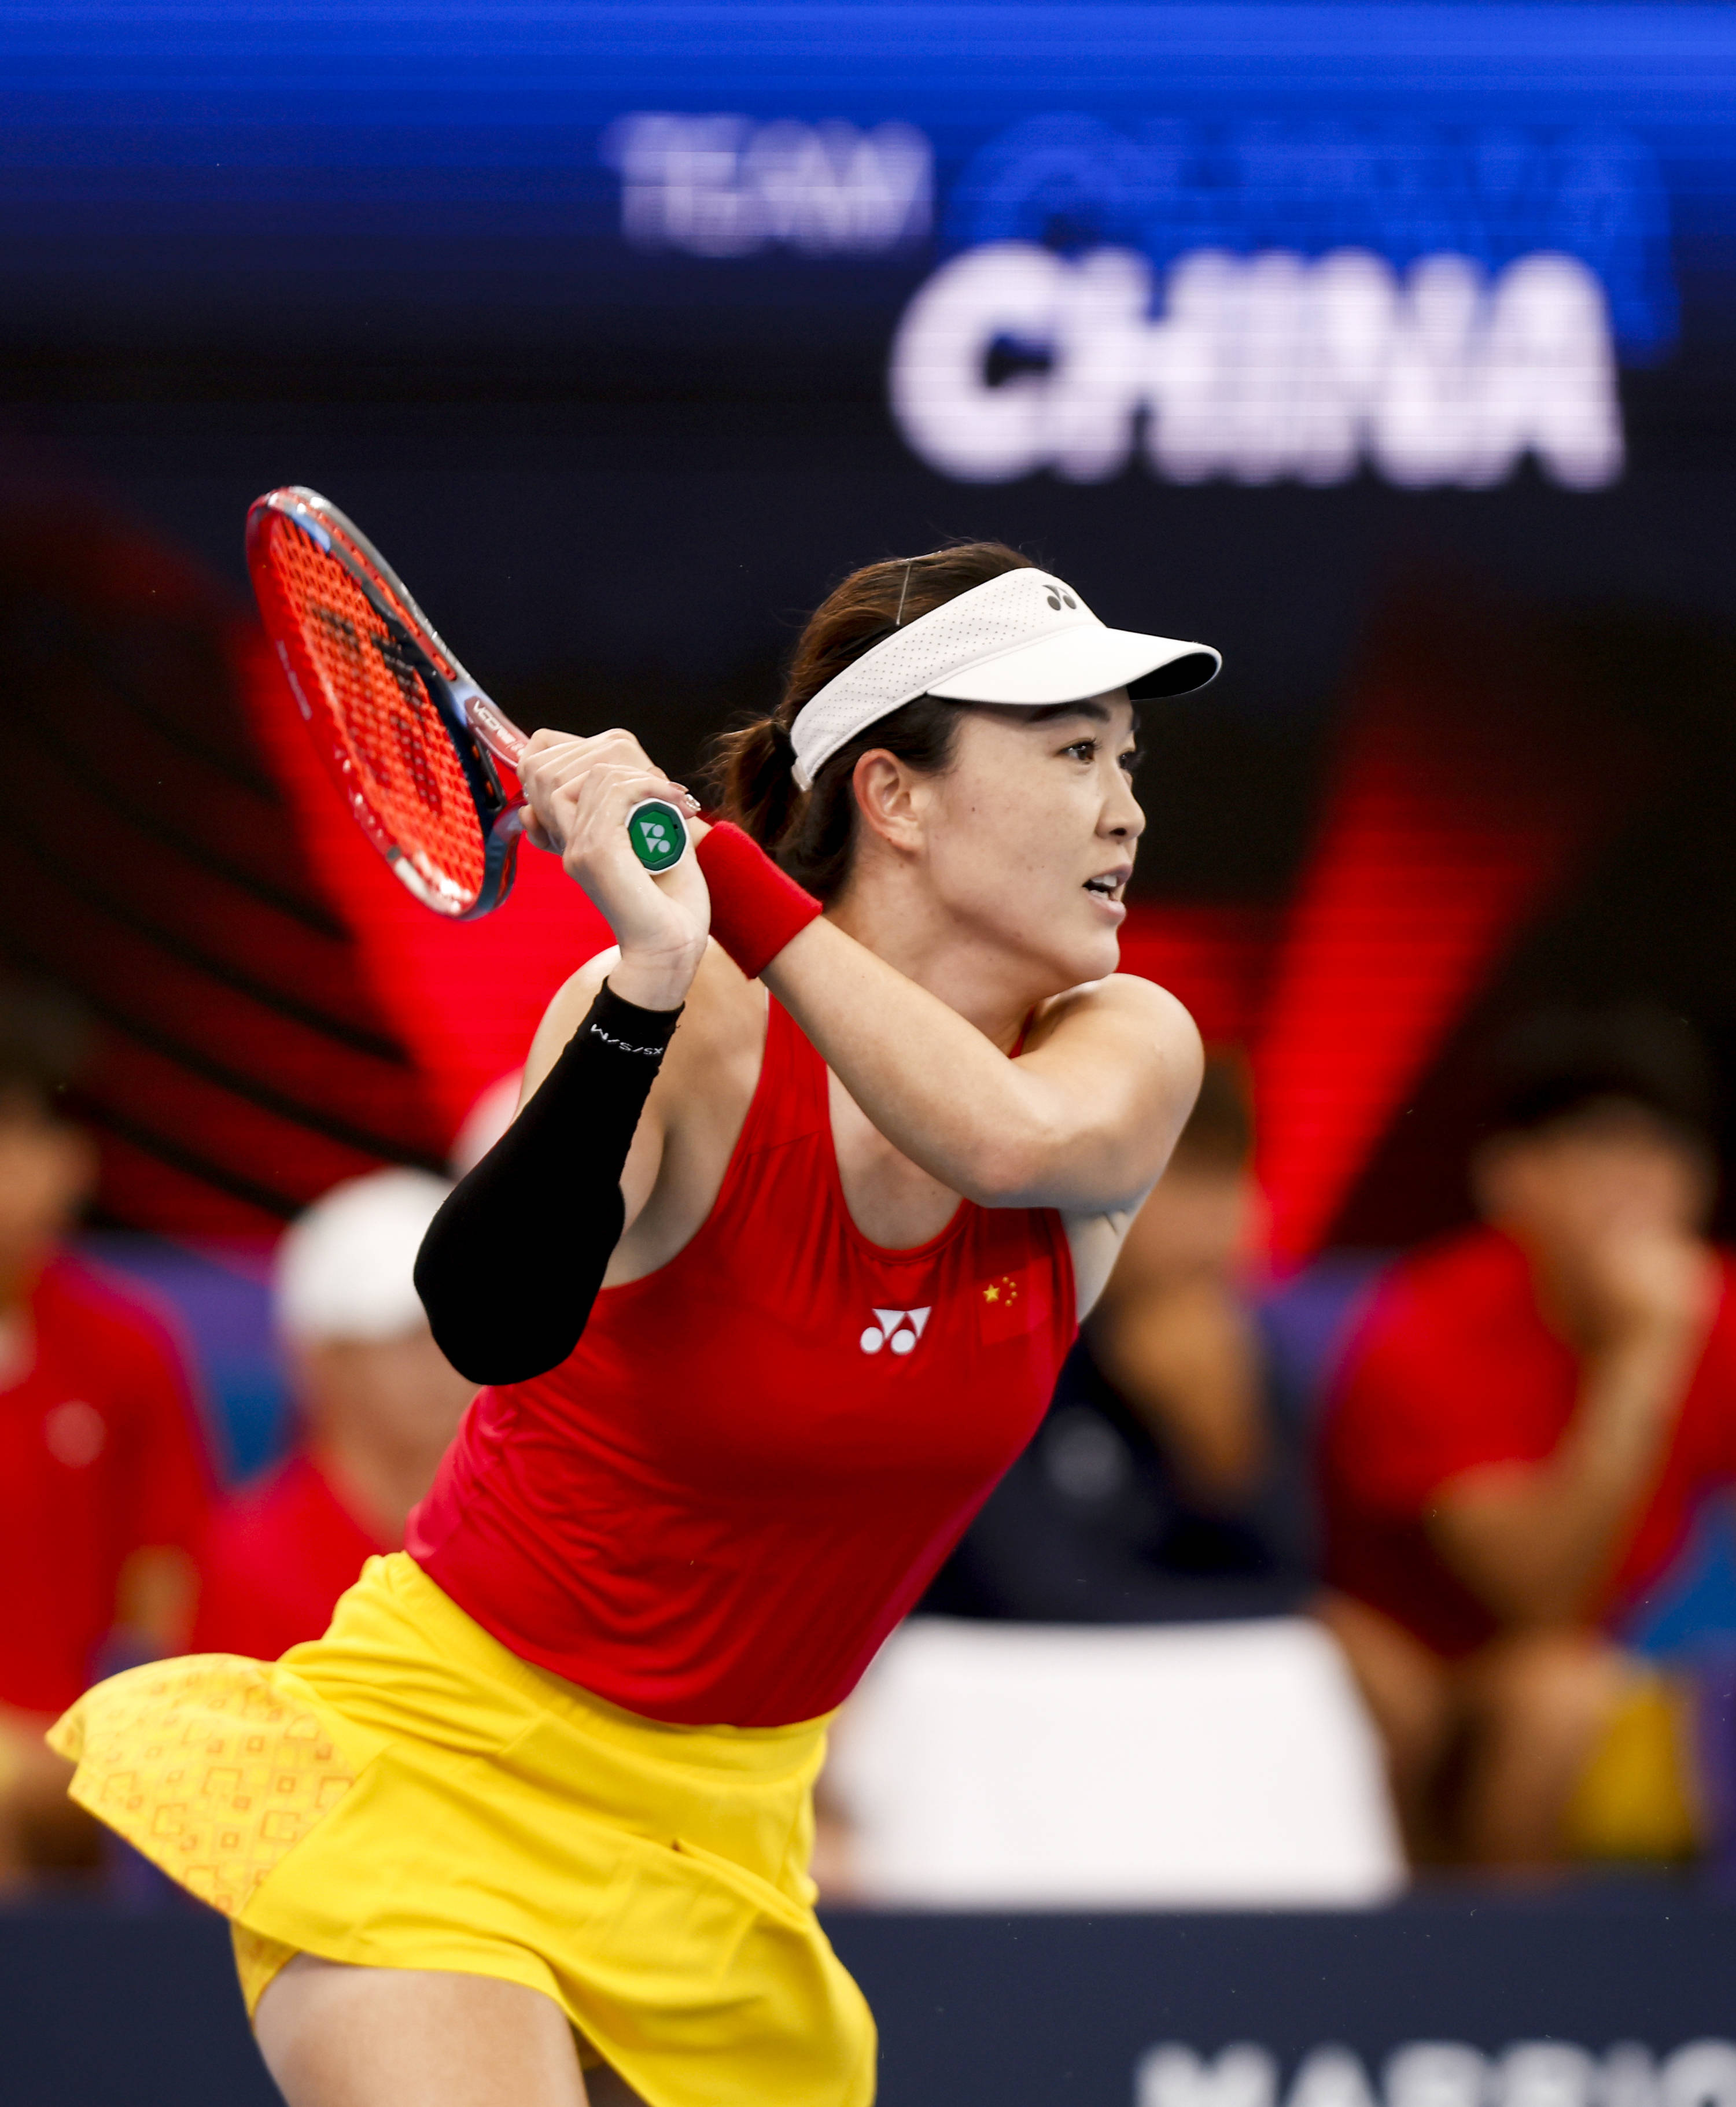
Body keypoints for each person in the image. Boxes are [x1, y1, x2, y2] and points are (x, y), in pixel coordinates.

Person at [52, 543, 1216, 2107]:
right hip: (447, 1768)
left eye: (1126, 759)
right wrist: (655, 974)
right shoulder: (687, 1022)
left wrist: (726, 883)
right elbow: (485, 1321)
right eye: (1073, 752)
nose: (1124, 807)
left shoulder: (1126, 1045)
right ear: (894, 796)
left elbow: (1001, 1138)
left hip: (727, 1844)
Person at [1319, 1007, 1735, 1870]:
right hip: (1403, 1653)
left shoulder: (1716, 1309)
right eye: (1598, 1149)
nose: (1635, 1184)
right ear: (1511, 1177)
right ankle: (1472, 1952)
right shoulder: (1427, 1327)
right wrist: (1640, 1361)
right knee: (1553, 1698)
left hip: (1589, 1649)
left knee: (1567, 1685)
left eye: (1661, 1151)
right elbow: (1536, 1597)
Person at [923, 1054, 1312, 1623]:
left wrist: (1224, 1458)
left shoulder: (1228, 1342)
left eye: (1234, 1177)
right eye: (1190, 1180)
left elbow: (1285, 1575)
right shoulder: (988, 1329)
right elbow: (1027, 1597)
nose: (1228, 1220)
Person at [0, 982, 212, 1885]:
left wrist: (109, 1747)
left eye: (39, 1136)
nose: (29, 1169)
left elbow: (164, 1590)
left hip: (76, 1776)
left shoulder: (126, 1346)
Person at [191, 1170, 475, 1662]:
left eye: (467, 1326)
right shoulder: (253, 1557)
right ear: (324, 1362)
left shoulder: (540, 1532)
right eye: (409, 1335)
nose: (448, 1360)